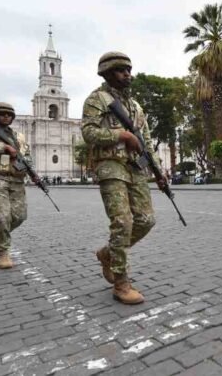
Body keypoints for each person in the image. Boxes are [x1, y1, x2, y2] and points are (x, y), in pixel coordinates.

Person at [81, 51, 165, 304]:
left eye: (129, 69)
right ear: (107, 73)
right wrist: (121, 135)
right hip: (111, 165)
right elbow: (89, 133)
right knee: (123, 222)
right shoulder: (97, 100)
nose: (127, 74)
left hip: (136, 167)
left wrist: (159, 173)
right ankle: (121, 282)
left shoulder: (136, 106)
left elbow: (147, 143)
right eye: (121, 70)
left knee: (146, 220)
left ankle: (108, 253)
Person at [0, 102, 38, 269]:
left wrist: (33, 174)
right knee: (3, 216)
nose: (6, 117)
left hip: (17, 179)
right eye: (2, 114)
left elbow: (26, 156)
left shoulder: (18, 136)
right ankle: (3, 252)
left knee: (19, 216)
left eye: (9, 115)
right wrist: (3, 147)